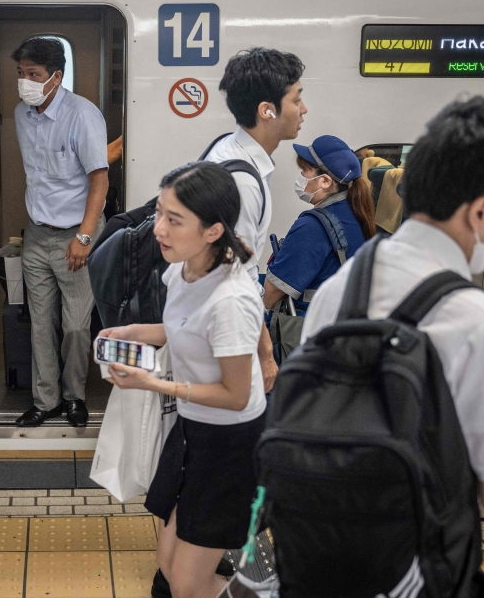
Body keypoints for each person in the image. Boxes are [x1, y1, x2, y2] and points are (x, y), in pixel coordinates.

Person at [302, 97, 484, 589]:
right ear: (482, 210)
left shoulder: (346, 284)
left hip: (324, 552)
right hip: (415, 569)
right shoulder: (480, 321)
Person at [101, 162, 267, 598]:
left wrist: (154, 384)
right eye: (159, 212)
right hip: (193, 429)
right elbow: (180, 329)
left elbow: (236, 395)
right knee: (170, 565)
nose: (159, 228)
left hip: (230, 444)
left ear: (213, 231)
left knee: (187, 583)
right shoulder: (183, 268)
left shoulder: (230, 300)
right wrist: (133, 333)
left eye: (174, 220)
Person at [12, 36, 110, 428]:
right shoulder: (23, 114)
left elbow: (99, 182)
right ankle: (45, 400)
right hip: (37, 234)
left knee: (74, 326)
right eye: (20, 74)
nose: (25, 82)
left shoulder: (82, 115)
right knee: (40, 324)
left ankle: (74, 397)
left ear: (56, 76)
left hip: (77, 235)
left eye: (33, 74)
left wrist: (85, 238)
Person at [202, 47, 308, 393]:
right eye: (296, 99)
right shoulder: (243, 181)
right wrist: (264, 352)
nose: (303, 109)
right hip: (224, 333)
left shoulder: (226, 150)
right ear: (267, 110)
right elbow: (235, 273)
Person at [263, 135, 375, 314]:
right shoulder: (356, 213)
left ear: (325, 181)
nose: (301, 176)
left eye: (305, 171)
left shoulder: (312, 226)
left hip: (310, 326)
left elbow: (273, 291)